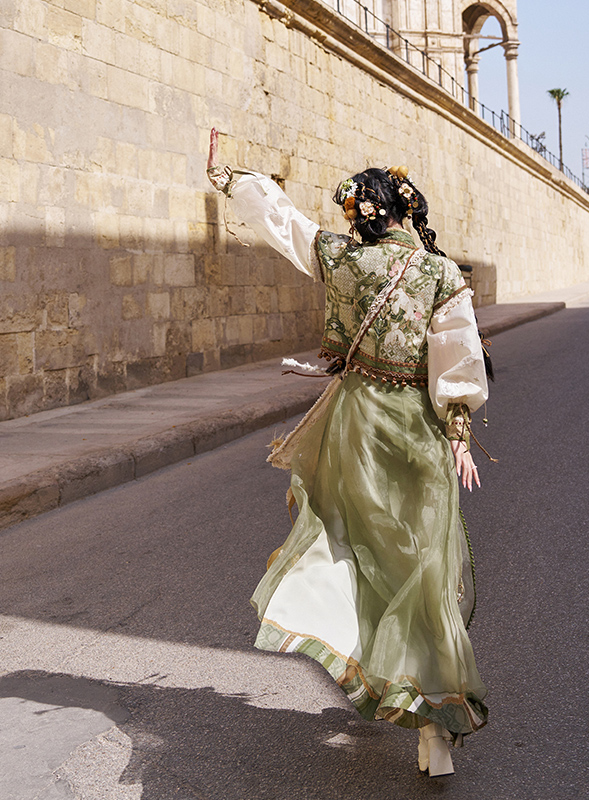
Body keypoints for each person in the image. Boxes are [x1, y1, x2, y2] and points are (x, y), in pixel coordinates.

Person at [207, 129, 489, 777]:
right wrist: (458, 429)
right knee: (425, 568)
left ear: (363, 213)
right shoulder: (440, 273)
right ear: (403, 210)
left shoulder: (341, 259)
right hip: (419, 432)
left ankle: (362, 661)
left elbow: (285, 224)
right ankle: (434, 726)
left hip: (358, 426)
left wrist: (231, 179)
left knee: (348, 549)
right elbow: (459, 357)